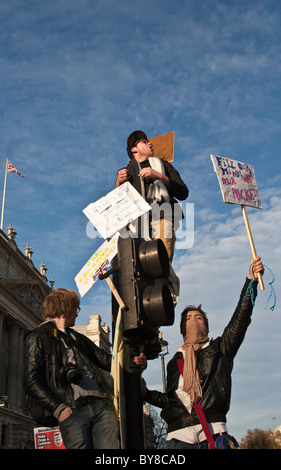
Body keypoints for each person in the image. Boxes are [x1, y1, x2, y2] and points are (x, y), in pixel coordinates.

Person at [143, 257, 264, 449]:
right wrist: (145, 393)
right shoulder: (174, 362)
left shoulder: (220, 349)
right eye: (188, 318)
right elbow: (172, 400)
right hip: (178, 438)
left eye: (198, 317)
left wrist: (251, 281)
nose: (193, 320)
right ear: (183, 330)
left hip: (212, 432)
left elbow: (240, 320)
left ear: (206, 328)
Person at [24, 287, 146, 449]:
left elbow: (106, 360)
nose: (77, 313)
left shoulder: (77, 337)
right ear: (65, 308)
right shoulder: (37, 337)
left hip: (101, 405)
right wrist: (58, 408)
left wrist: (133, 362)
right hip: (72, 409)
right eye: (76, 308)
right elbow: (31, 380)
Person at [115, 130, 189, 261]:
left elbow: (183, 192)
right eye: (144, 141)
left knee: (161, 262)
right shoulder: (126, 172)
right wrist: (118, 183)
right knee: (140, 267)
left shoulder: (164, 165)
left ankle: (168, 279)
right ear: (133, 149)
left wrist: (159, 176)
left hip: (162, 216)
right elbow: (118, 206)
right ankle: (172, 281)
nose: (150, 144)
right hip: (137, 225)